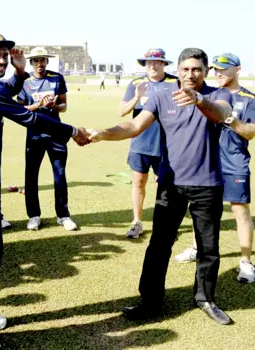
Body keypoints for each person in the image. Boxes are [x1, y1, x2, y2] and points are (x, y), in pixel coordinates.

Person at [0, 32, 90, 350]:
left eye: (4, 54)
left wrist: (19, 70)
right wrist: (72, 131)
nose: (1, 60)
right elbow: (29, 118)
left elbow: (7, 88)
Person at [88, 48, 234, 325]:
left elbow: (221, 114)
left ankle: (205, 298)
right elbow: (133, 126)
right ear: (177, 70)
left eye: (197, 69)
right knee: (159, 245)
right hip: (171, 183)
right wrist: (103, 134)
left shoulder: (217, 95)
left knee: (209, 247)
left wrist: (199, 100)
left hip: (207, 184)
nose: (191, 75)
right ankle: (151, 301)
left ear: (205, 71)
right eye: (185, 69)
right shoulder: (161, 96)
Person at [173, 53, 255, 283]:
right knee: (201, 210)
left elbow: (251, 132)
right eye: (215, 69)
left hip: (234, 162)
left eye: (224, 69)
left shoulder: (249, 99)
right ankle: (196, 247)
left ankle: (246, 262)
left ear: (237, 70)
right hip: (206, 162)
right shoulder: (206, 94)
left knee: (240, 211)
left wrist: (227, 118)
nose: (219, 73)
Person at [119, 49, 177, 238]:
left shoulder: (174, 83)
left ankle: (165, 224)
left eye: (157, 62)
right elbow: (122, 112)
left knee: (165, 186)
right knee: (138, 182)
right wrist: (137, 97)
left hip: (166, 145)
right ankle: (136, 222)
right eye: (148, 62)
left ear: (164, 64)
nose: (152, 65)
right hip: (141, 144)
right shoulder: (136, 84)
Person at [18, 47, 77, 231]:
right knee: (31, 176)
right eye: (36, 60)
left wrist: (54, 106)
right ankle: (34, 216)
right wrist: (37, 105)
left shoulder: (57, 77)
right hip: (34, 134)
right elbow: (19, 109)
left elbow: (64, 105)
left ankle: (63, 215)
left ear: (47, 61)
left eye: (42, 60)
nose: (40, 64)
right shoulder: (25, 82)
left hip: (56, 134)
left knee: (60, 175)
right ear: (31, 63)